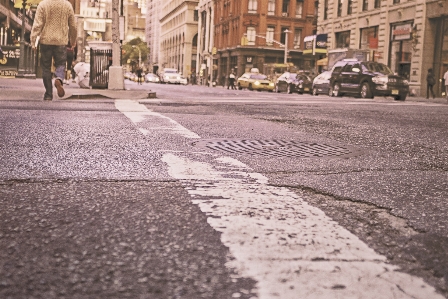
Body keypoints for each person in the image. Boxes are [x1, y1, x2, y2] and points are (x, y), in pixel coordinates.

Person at [30, 0, 76, 101]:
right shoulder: (67, 5)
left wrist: (33, 41)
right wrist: (73, 40)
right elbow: (73, 25)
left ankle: (48, 94)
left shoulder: (43, 4)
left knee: (46, 68)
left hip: (45, 41)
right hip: (61, 42)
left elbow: (37, 25)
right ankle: (59, 78)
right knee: (60, 64)